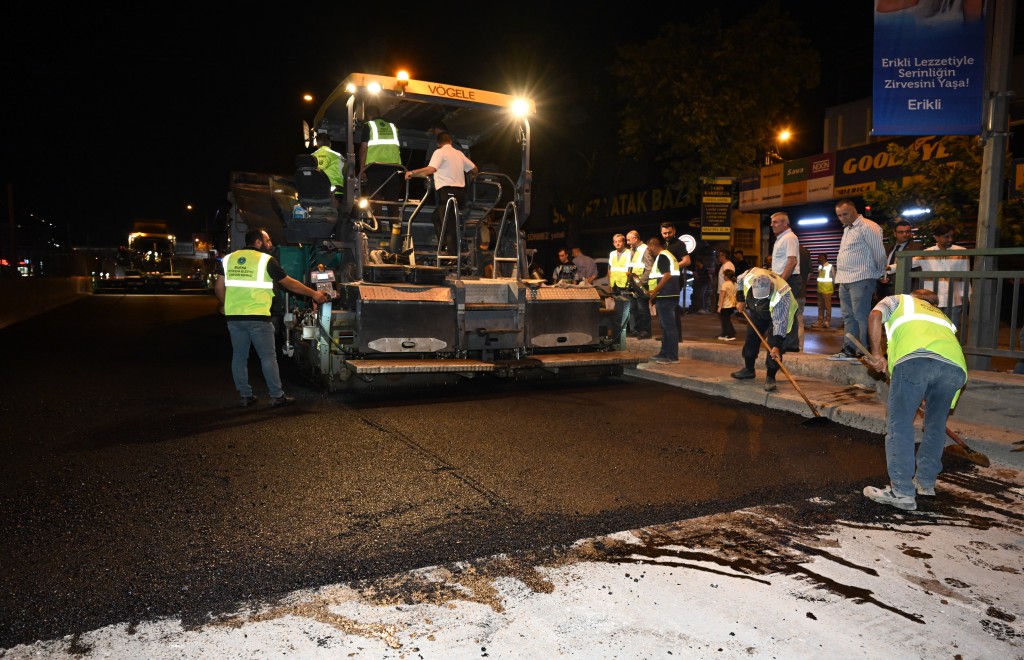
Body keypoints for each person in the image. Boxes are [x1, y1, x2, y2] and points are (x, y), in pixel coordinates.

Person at [861, 288, 968, 511]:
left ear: (914, 296)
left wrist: (877, 353)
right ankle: (926, 483)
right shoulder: (942, 317)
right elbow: (940, 357)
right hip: (956, 370)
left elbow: (874, 315)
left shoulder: (899, 301)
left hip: (914, 361)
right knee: (935, 426)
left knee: (899, 425)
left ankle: (901, 491)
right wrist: (924, 394)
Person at [214, 228, 328, 408]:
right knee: (267, 357)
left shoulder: (227, 259)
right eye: (267, 241)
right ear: (258, 242)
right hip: (258, 317)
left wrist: (224, 304)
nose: (270, 244)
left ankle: (245, 396)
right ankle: (276, 395)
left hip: (234, 318)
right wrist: (314, 293)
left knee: (239, 357)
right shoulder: (266, 260)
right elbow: (288, 283)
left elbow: (219, 287)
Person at [829, 199, 886, 362]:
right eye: (839, 215)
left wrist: (881, 272)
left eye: (845, 214)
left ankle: (865, 352)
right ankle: (849, 350)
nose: (842, 218)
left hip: (861, 278)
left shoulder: (868, 226)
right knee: (848, 317)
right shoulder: (848, 229)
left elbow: (879, 252)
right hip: (845, 279)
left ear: (855, 211)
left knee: (861, 316)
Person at [405, 131, 478, 256]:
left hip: (448, 192)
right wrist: (472, 179)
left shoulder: (440, 152)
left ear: (438, 143)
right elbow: (475, 169)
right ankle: (444, 245)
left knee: (449, 225)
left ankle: (453, 256)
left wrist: (413, 172)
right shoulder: (459, 153)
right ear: (450, 141)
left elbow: (431, 169)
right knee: (436, 217)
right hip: (460, 193)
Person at [731, 267, 797, 392]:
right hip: (757, 311)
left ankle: (771, 377)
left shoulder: (781, 296)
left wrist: (777, 345)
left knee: (773, 346)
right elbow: (739, 280)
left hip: (777, 314)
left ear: (771, 288)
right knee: (751, 337)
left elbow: (779, 323)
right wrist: (741, 299)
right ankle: (749, 369)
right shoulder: (750, 276)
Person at [914, 223, 970, 327]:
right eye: (946, 237)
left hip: (954, 298)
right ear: (936, 237)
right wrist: (889, 268)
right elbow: (909, 263)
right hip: (933, 298)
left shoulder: (961, 251)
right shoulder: (927, 253)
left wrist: (966, 295)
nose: (950, 239)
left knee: (952, 329)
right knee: (933, 328)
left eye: (951, 236)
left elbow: (965, 275)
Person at [769, 211, 802, 352]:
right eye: (771, 222)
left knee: (787, 311)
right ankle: (786, 343)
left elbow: (792, 261)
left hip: (789, 280)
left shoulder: (789, 237)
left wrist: (781, 281)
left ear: (784, 223)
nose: (772, 225)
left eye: (775, 222)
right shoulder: (781, 238)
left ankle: (790, 344)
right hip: (784, 279)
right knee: (782, 311)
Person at [646, 236, 681, 363]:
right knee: (666, 326)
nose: (648, 252)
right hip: (668, 294)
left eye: (648, 249)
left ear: (652, 246)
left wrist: (655, 291)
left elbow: (667, 275)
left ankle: (671, 356)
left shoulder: (663, 256)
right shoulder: (668, 255)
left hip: (666, 295)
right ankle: (664, 353)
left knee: (668, 326)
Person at [358, 105, 403, 200]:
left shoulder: (368, 125)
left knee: (375, 197)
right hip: (393, 167)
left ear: (367, 115)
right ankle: (395, 215)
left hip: (375, 167)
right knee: (392, 199)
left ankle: (376, 215)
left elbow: (363, 148)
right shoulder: (392, 126)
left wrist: (362, 170)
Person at [878, 219, 923, 300]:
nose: (905, 234)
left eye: (907, 231)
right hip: (884, 287)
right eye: (901, 232)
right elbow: (880, 265)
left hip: (905, 287)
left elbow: (913, 265)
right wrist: (880, 277)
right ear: (895, 233)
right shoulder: (887, 247)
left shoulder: (916, 247)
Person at [660, 222, 691, 338]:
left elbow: (687, 261)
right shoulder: (664, 246)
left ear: (674, 231)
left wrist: (673, 266)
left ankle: (676, 336)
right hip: (666, 280)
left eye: (669, 233)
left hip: (675, 280)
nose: (667, 235)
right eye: (664, 233)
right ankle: (668, 335)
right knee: (666, 308)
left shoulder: (679, 244)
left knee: (672, 308)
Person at [626, 230, 652, 339]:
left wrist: (641, 283)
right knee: (633, 309)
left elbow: (649, 268)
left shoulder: (644, 249)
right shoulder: (632, 250)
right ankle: (636, 330)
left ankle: (645, 331)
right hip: (632, 284)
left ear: (636, 239)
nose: (627, 242)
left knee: (642, 309)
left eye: (629, 240)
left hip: (641, 284)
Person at [311, 132, 344, 203]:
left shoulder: (311, 156)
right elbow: (344, 174)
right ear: (330, 143)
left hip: (315, 193)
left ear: (317, 144)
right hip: (336, 194)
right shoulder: (338, 156)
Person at [813, 253, 835, 329]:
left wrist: (833, 288)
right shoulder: (820, 267)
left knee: (827, 306)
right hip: (820, 290)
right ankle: (820, 321)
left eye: (819, 258)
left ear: (823, 258)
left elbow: (834, 278)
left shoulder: (830, 266)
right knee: (820, 306)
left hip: (827, 290)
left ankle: (827, 321)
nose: (817, 259)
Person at [716, 267, 737, 341]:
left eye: (724, 275)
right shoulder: (734, 284)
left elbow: (722, 296)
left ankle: (730, 334)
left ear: (727, 276)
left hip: (725, 305)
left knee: (725, 320)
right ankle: (726, 333)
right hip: (732, 305)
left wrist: (720, 306)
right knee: (727, 319)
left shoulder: (725, 284)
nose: (724, 277)